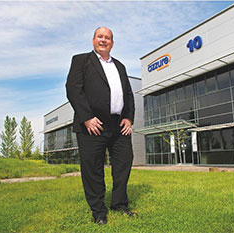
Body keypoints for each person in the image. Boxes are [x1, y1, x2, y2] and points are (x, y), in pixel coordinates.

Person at [66, 27, 136, 225]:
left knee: (123, 165)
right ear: (93, 40)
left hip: (118, 125)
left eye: (108, 38)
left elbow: (128, 95)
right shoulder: (80, 60)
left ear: (112, 43)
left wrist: (129, 118)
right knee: (93, 169)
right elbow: (73, 89)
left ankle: (119, 204)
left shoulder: (120, 66)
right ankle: (98, 211)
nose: (103, 40)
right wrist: (87, 117)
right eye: (100, 37)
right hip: (92, 125)